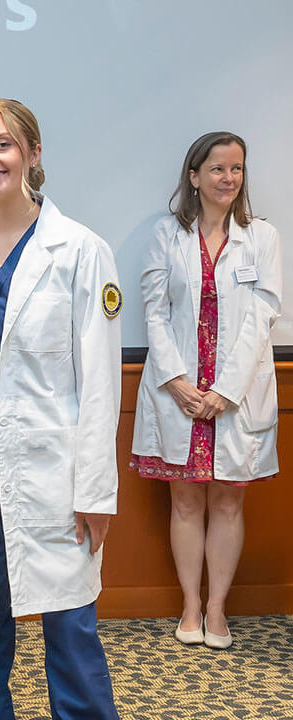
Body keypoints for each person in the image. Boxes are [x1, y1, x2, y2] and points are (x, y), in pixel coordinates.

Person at [0, 98, 121, 720]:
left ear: (33, 154)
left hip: (52, 480)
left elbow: (100, 380)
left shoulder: (79, 250)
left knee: (70, 636)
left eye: (2, 145)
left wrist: (95, 491)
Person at [130, 131, 281, 650]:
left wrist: (227, 390)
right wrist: (177, 381)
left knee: (228, 503)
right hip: (181, 394)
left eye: (236, 169)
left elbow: (263, 314)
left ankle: (218, 608)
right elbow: (154, 310)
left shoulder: (261, 236)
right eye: (217, 169)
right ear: (194, 176)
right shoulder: (166, 234)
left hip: (232, 397)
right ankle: (190, 607)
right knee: (187, 503)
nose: (228, 179)